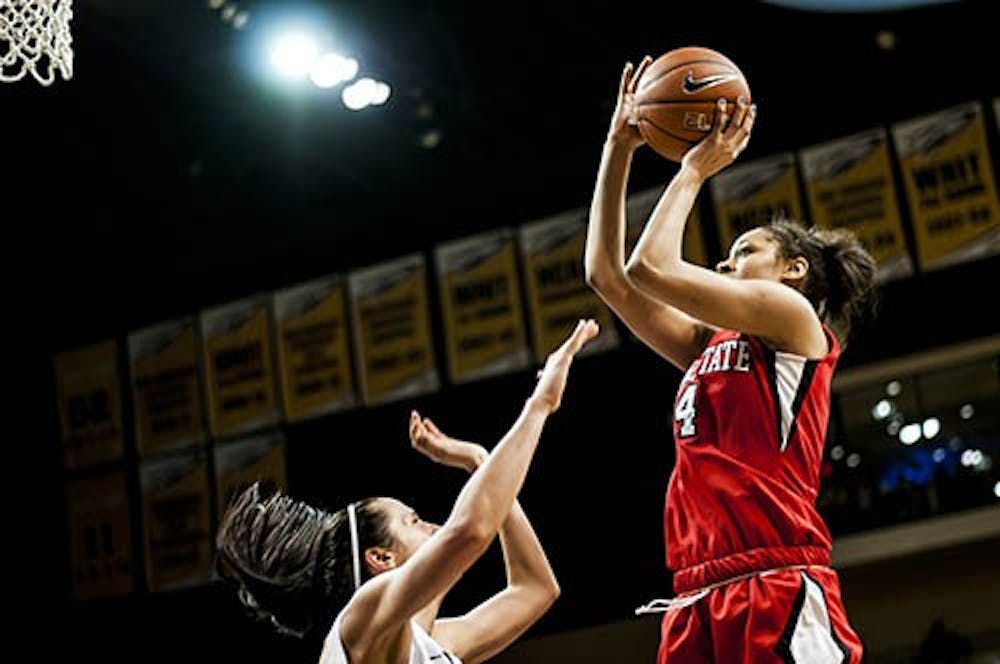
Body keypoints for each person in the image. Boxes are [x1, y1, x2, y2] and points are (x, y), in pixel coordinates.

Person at [585, 56, 876, 663]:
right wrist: (619, 146)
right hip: (695, 594)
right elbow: (607, 276)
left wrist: (694, 169)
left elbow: (651, 268)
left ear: (793, 270)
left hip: (775, 581)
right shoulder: (708, 346)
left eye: (743, 251)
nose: (723, 264)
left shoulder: (795, 321)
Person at [215, 319, 597, 664]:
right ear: (381, 558)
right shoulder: (360, 620)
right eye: (412, 521)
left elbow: (534, 589)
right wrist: (539, 404)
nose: (432, 525)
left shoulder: (426, 644)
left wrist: (481, 462)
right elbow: (469, 530)